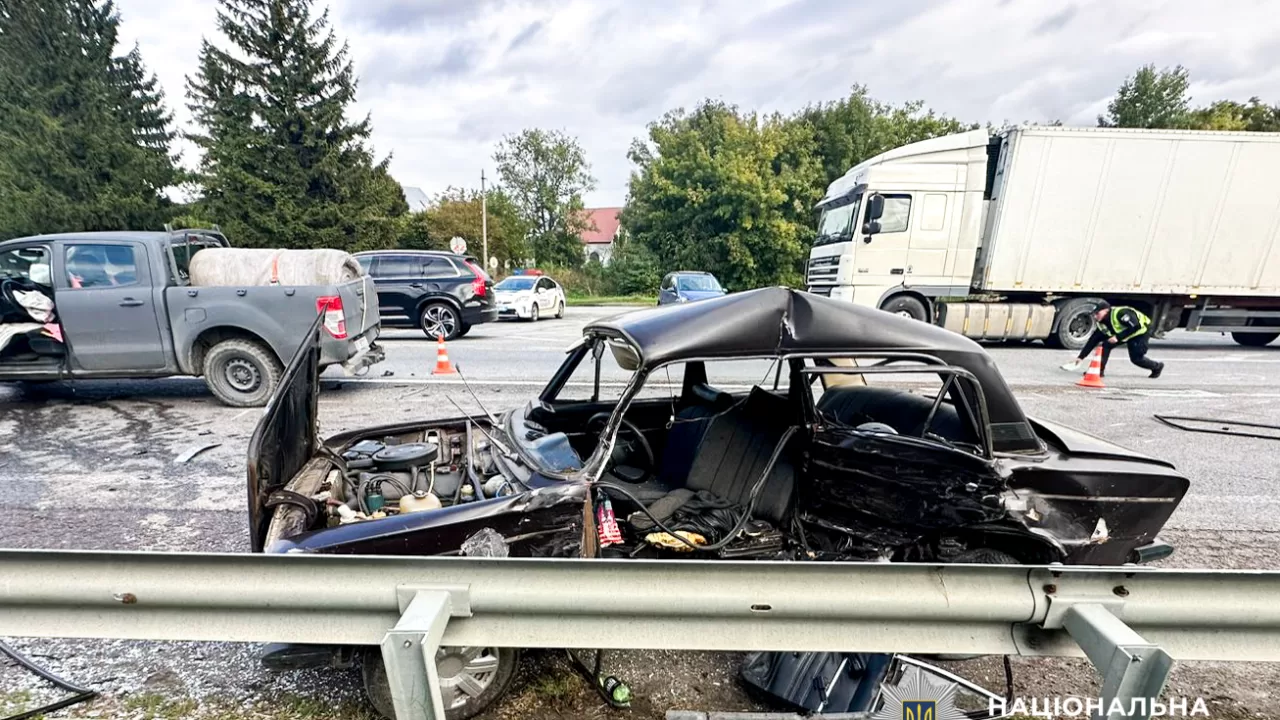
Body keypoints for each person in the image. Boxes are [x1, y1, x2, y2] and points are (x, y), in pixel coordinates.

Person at [1060, 301, 1164, 378]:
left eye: (1097, 313)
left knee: (1136, 359)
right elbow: (1093, 340)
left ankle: (1157, 367)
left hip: (1141, 332)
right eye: (1094, 314)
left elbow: (1135, 326)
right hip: (1125, 333)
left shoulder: (1121, 314)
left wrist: (1118, 337)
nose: (1095, 316)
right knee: (1106, 345)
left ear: (1106, 310)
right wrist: (1081, 357)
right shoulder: (1102, 322)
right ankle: (1099, 371)